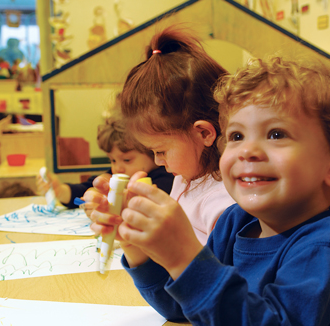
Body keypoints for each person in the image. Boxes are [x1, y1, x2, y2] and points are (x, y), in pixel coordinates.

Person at [115, 56, 330, 325]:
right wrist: (136, 248)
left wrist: (185, 258)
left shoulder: (327, 249)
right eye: (237, 136)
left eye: (276, 134)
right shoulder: (234, 221)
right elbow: (185, 308)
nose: (247, 151)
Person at [87, 25, 236, 245]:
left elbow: (216, 275)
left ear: (204, 133)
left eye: (161, 151)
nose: (157, 160)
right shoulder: (184, 178)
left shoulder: (224, 204)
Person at [36, 111, 174, 210]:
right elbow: (84, 190)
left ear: (152, 152)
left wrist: (105, 203)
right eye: (112, 160)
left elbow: (141, 207)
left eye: (127, 160)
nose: (118, 168)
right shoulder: (117, 175)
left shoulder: (166, 179)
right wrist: (60, 190)